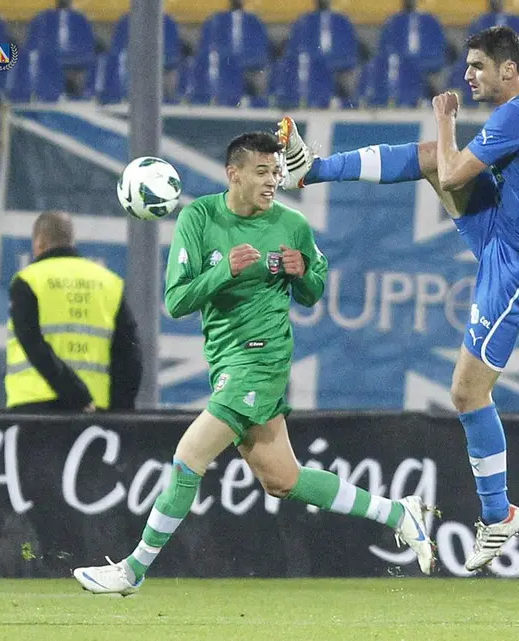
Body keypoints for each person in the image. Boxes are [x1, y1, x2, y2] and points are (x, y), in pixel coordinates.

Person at [277, 26, 519, 572]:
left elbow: (453, 175)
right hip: (505, 231)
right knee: (430, 157)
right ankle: (313, 169)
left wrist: (445, 118)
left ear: (508, 71)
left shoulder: (516, 115)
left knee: (467, 393)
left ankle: (499, 515)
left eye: (477, 66)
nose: (467, 75)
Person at [73, 132, 435, 595]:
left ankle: (132, 570)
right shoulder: (199, 218)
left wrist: (302, 274)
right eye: (262, 172)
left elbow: (313, 291)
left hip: (261, 361)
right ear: (234, 174)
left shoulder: (292, 224)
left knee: (188, 460)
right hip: (226, 362)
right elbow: (176, 300)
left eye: (277, 172)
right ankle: (399, 513)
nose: (272, 181)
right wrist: (225, 270)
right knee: (282, 479)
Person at [5, 211, 142, 412]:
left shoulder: (28, 280)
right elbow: (130, 355)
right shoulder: (108, 283)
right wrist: (119, 412)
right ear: (71, 240)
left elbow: (31, 342)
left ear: (39, 243)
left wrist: (75, 392)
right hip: (95, 413)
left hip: (34, 408)